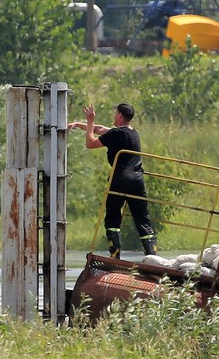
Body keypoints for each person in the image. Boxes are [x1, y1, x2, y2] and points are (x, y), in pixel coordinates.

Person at [67, 103, 157, 259]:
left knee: (112, 217)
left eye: (116, 113)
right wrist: (77, 124)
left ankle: (115, 256)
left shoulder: (116, 134)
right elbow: (101, 129)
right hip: (137, 180)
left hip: (120, 179)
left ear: (120, 115)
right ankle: (152, 256)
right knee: (142, 219)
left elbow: (90, 143)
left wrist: (89, 122)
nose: (114, 116)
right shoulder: (132, 133)